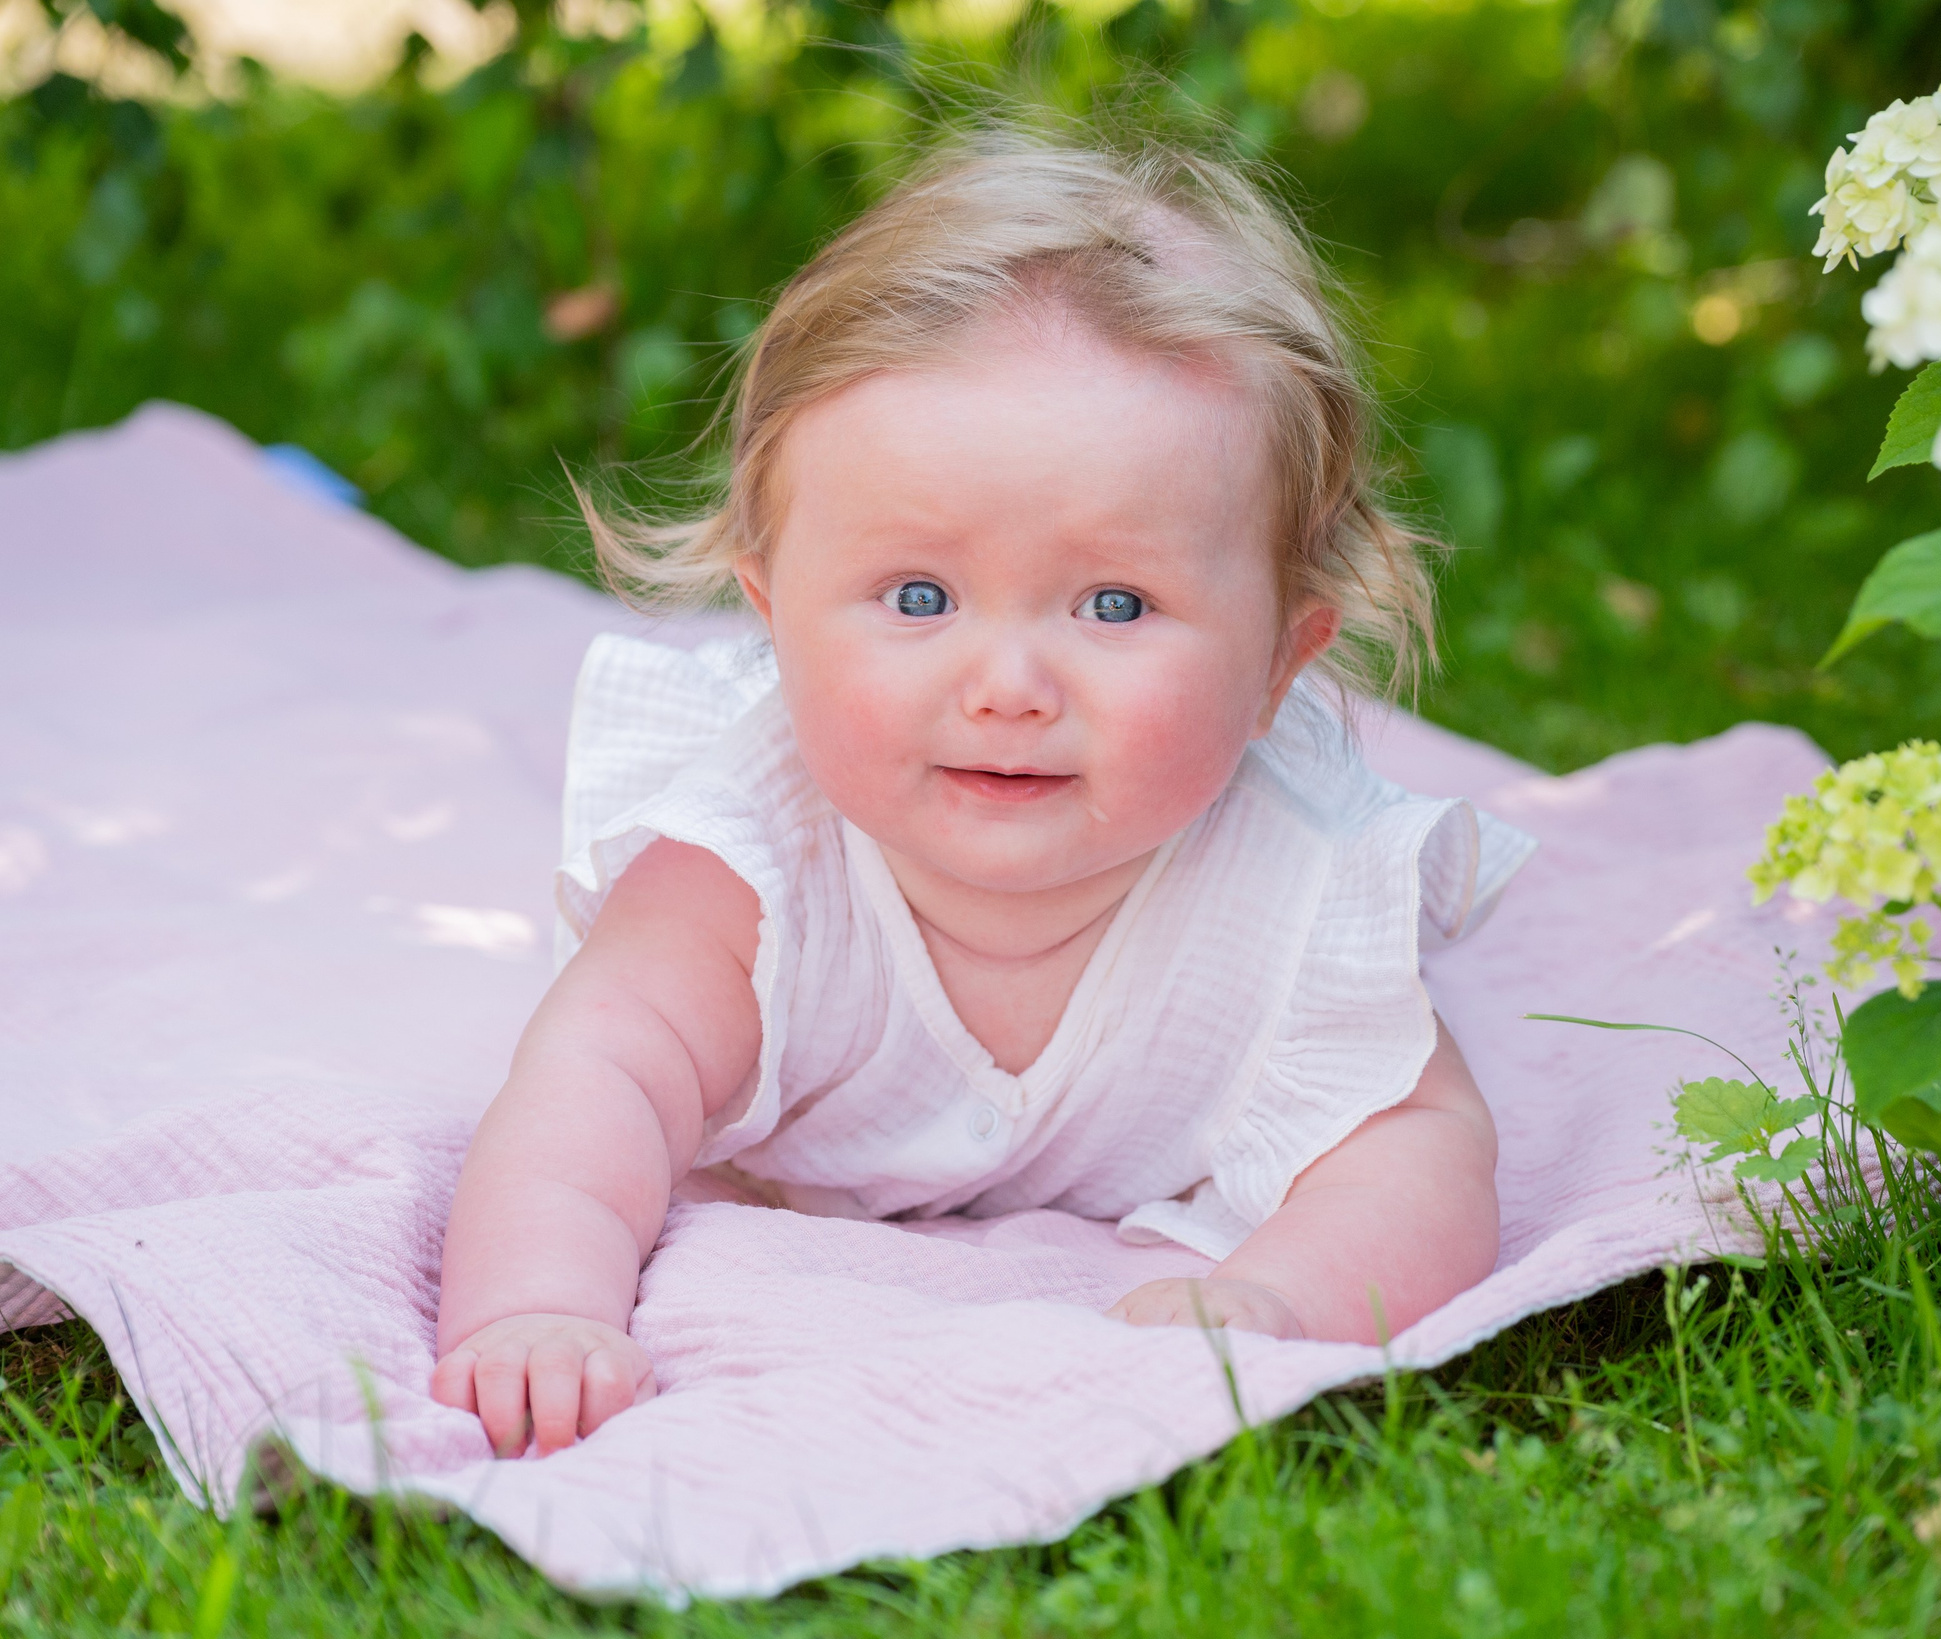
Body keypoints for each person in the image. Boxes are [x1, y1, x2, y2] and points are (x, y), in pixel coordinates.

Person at [428, 134, 1534, 1458]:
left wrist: (1283, 1297)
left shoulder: (1299, 885)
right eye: (918, 597)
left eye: (1114, 603)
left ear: (1279, 661)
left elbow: (1420, 1146)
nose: (1007, 685)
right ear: (772, 615)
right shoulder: (751, 865)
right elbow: (593, 1079)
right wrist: (539, 1303)